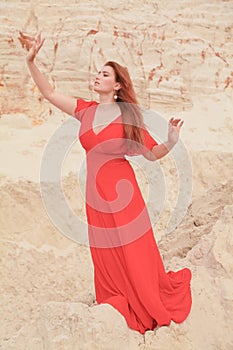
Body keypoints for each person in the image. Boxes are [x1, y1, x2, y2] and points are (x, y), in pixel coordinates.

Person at [19, 32, 192, 334]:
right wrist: (31, 60)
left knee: (134, 252)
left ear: (117, 86)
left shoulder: (128, 117)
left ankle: (147, 302)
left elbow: (152, 155)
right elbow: (48, 92)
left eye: (105, 74)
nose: (98, 76)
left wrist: (172, 141)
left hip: (124, 194)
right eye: (98, 72)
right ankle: (117, 302)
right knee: (106, 255)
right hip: (94, 196)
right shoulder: (84, 110)